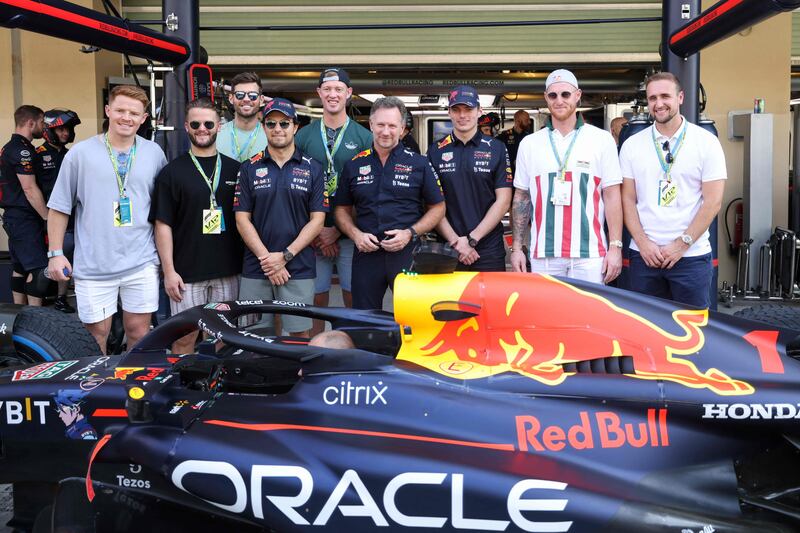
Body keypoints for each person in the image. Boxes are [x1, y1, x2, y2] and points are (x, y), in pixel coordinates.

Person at [47, 85, 167, 353]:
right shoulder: (80, 154)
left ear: (144, 118)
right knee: (95, 336)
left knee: (139, 332)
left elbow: (162, 210)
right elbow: (59, 207)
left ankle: (131, 390)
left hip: (141, 262)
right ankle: (99, 391)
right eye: (121, 110)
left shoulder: (154, 154)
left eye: (134, 113)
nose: (127, 117)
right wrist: (55, 253)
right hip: (95, 265)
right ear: (108, 110)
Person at [620, 72, 726, 309]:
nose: (658, 104)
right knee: (645, 330)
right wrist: (643, 243)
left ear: (680, 97)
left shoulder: (706, 143)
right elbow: (627, 199)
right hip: (644, 257)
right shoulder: (631, 145)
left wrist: (681, 244)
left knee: (693, 333)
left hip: (691, 257)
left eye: (665, 96)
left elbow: (713, 202)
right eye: (652, 98)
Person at [511, 69, 623, 284]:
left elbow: (612, 196)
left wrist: (615, 247)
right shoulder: (530, 144)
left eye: (565, 94)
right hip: (543, 254)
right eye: (553, 95)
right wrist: (516, 248)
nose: (559, 100)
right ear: (546, 98)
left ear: (578, 95)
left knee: (589, 317)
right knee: (546, 318)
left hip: (590, 254)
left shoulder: (601, 140)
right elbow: (521, 198)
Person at [150, 98, 243, 354]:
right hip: (186, 275)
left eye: (208, 123)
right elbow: (162, 224)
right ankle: (185, 389)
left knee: (227, 337)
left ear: (219, 126)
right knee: (184, 338)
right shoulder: (172, 172)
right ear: (187, 127)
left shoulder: (236, 170)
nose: (202, 128)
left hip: (228, 271)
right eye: (196, 123)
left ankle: (223, 390)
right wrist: (169, 271)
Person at [335, 96, 445, 310]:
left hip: (407, 253)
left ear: (402, 128)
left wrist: (410, 233)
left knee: (413, 317)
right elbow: (341, 209)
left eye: (392, 125)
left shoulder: (420, 164)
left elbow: (438, 207)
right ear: (371, 125)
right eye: (381, 125)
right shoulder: (354, 165)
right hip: (366, 254)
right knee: (364, 321)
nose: (386, 131)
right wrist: (356, 235)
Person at [234, 98, 326, 337]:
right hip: (257, 265)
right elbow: (242, 219)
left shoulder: (313, 168)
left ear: (295, 127)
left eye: (284, 123)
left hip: (298, 265)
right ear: (263, 127)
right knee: (254, 335)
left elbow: (317, 221)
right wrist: (269, 260)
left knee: (299, 334)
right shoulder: (248, 168)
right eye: (271, 123)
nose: (278, 129)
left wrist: (285, 257)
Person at [294, 68, 372, 335]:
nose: (332, 94)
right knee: (316, 298)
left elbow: (369, 193)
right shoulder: (303, 137)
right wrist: (318, 232)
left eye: (339, 89)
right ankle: (318, 352)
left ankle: (349, 349)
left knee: (353, 295)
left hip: (350, 233)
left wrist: (336, 231)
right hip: (312, 235)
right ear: (318, 93)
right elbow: (296, 190)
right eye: (327, 89)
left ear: (349, 93)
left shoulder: (364, 138)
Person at [427, 85, 512, 271]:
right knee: (447, 302)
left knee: (491, 301)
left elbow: (504, 201)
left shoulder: (497, 148)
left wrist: (472, 239)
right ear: (449, 112)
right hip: (448, 247)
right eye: (456, 109)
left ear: (480, 111)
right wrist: (457, 242)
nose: (462, 115)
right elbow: (432, 203)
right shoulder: (435, 151)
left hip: (488, 249)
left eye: (468, 109)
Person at [0, 105, 47, 305]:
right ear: (31, 123)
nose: (44, 127)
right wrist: (47, 217)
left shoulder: (9, 147)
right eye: (42, 122)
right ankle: (35, 321)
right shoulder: (22, 150)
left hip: (13, 217)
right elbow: (29, 189)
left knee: (20, 268)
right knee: (38, 269)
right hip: (24, 219)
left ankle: (18, 315)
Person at [37, 109, 81, 313]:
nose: (65, 134)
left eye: (67, 130)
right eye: (61, 129)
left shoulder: (72, 155)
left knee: (69, 255)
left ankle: (61, 298)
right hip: (45, 219)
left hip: (72, 218)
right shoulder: (38, 155)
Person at [217, 72, 267, 163]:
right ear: (231, 98)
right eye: (240, 94)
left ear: (261, 99)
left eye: (253, 96)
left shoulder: (272, 135)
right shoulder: (216, 134)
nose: (246, 99)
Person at [496, 109, 532, 175]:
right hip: (508, 173)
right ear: (518, 121)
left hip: (525, 173)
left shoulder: (530, 138)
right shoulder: (504, 136)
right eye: (527, 120)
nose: (529, 122)